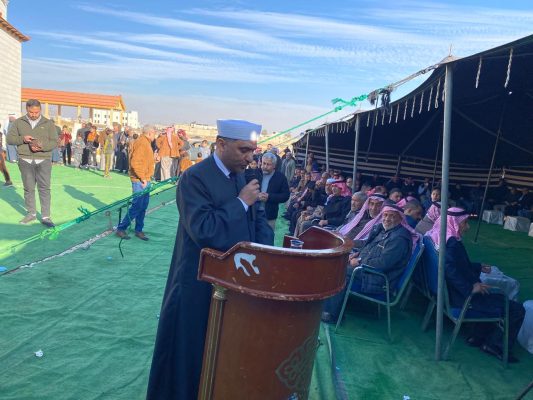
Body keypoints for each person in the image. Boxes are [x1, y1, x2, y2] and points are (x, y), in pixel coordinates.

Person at [146, 119, 274, 400]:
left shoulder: (242, 175)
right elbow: (204, 231)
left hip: (236, 284)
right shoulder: (195, 178)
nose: (249, 158)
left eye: (253, 151)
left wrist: (269, 257)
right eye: (243, 150)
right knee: (190, 354)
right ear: (221, 144)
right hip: (197, 284)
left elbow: (257, 222)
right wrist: (241, 202)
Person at [426, 208, 525, 362]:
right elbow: (450, 269)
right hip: (461, 299)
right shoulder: (452, 243)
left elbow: (457, 266)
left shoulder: (438, 236)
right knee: (515, 309)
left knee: (491, 297)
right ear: (454, 223)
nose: (467, 227)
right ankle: (495, 346)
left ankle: (477, 337)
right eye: (465, 222)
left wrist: (478, 267)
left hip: (449, 294)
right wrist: (470, 288)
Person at [322, 203, 415, 323]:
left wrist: (359, 261)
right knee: (335, 262)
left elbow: (383, 263)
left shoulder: (399, 239)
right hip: (367, 271)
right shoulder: (384, 230)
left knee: (340, 271)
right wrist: (357, 254)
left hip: (380, 279)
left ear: (400, 219)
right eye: (385, 215)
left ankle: (331, 314)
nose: (387, 219)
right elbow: (369, 248)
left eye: (392, 216)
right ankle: (326, 302)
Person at [6, 99, 57, 227]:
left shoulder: (48, 123)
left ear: (40, 110)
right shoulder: (18, 122)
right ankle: (31, 214)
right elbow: (10, 139)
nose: (34, 114)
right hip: (25, 160)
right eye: (31, 112)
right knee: (28, 188)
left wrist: (41, 146)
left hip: (43, 160)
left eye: (36, 112)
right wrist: (22, 139)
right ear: (26, 110)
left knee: (44, 188)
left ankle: (46, 217)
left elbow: (54, 142)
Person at [115, 125, 156, 240]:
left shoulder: (146, 142)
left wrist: (154, 160)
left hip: (145, 178)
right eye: (154, 133)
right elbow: (135, 162)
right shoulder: (142, 143)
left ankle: (139, 229)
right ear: (150, 133)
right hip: (140, 180)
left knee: (143, 206)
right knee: (137, 206)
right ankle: (121, 228)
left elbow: (144, 161)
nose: (155, 136)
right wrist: (142, 178)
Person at [257, 152, 290, 231]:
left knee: (268, 236)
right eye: (264, 163)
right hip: (253, 214)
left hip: (270, 216)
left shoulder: (281, 177)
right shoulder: (255, 173)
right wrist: (256, 196)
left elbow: (285, 195)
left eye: (268, 164)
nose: (265, 166)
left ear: (274, 166)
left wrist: (269, 197)